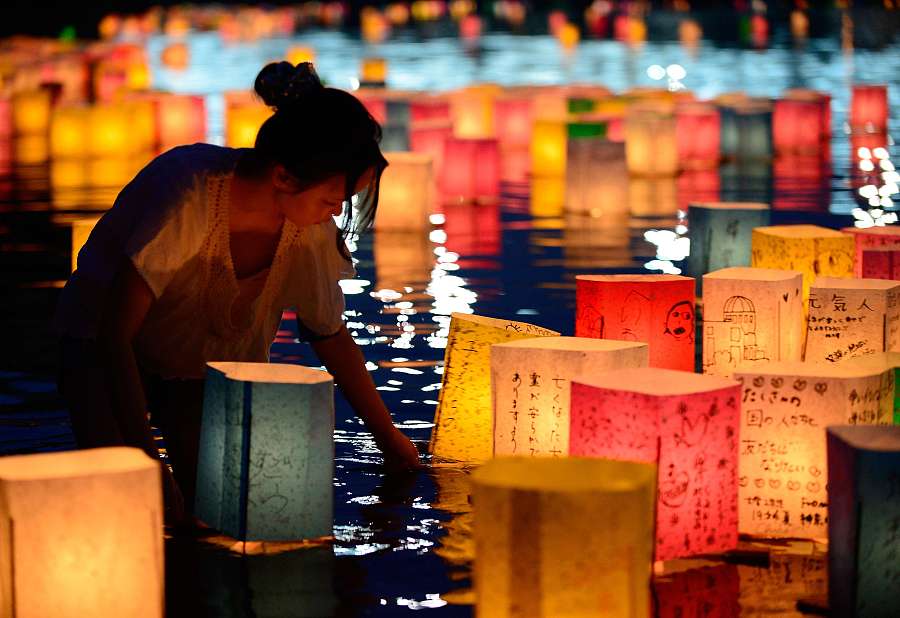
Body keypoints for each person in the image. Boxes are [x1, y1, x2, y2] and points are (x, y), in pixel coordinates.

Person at [53, 61, 420, 525]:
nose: (333, 214)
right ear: (284, 177)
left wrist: (392, 442)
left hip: (197, 365)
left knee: (220, 507)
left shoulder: (306, 227)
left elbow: (328, 333)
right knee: (129, 505)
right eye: (331, 200)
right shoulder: (188, 198)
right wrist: (146, 467)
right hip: (99, 353)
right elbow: (113, 335)